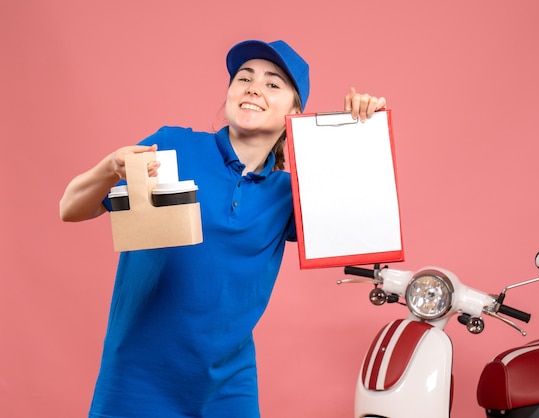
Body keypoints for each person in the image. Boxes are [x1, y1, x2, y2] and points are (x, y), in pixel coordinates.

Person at [59, 39, 386, 418]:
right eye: (244, 78)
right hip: (138, 376)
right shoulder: (172, 147)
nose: (253, 88)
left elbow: (364, 230)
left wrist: (361, 132)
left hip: (228, 386)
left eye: (272, 84)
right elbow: (70, 208)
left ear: (294, 112)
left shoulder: (290, 194)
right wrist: (109, 168)